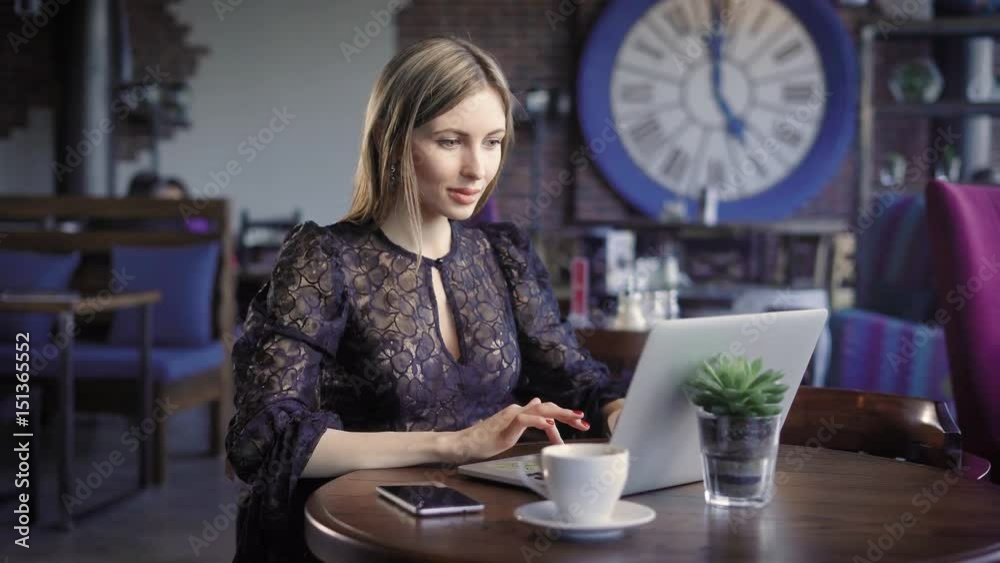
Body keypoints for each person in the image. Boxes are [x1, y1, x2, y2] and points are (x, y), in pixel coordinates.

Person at [224, 36, 628, 563]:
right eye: (450, 141)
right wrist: (456, 444)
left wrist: (620, 412)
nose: (477, 168)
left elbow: (576, 380)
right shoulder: (324, 258)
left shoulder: (503, 254)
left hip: (485, 527)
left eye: (492, 142)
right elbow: (262, 438)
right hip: (358, 528)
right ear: (393, 141)